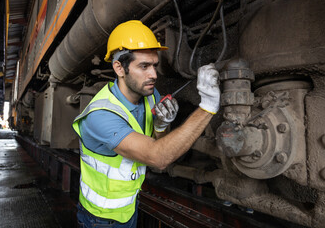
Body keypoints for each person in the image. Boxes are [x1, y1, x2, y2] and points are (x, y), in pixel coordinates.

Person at [72, 20, 220, 228]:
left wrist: (161, 125)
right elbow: (159, 158)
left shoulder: (151, 96)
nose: (154, 74)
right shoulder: (100, 116)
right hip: (100, 219)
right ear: (119, 68)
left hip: (129, 208)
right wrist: (208, 107)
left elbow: (160, 141)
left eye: (154, 65)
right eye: (144, 66)